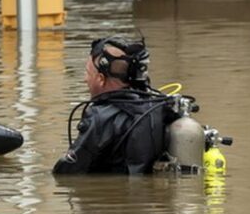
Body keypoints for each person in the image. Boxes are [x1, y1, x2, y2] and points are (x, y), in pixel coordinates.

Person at [53, 36, 174, 175]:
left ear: (100, 79)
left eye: (87, 73)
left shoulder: (99, 118)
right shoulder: (160, 106)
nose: (85, 79)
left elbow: (67, 172)